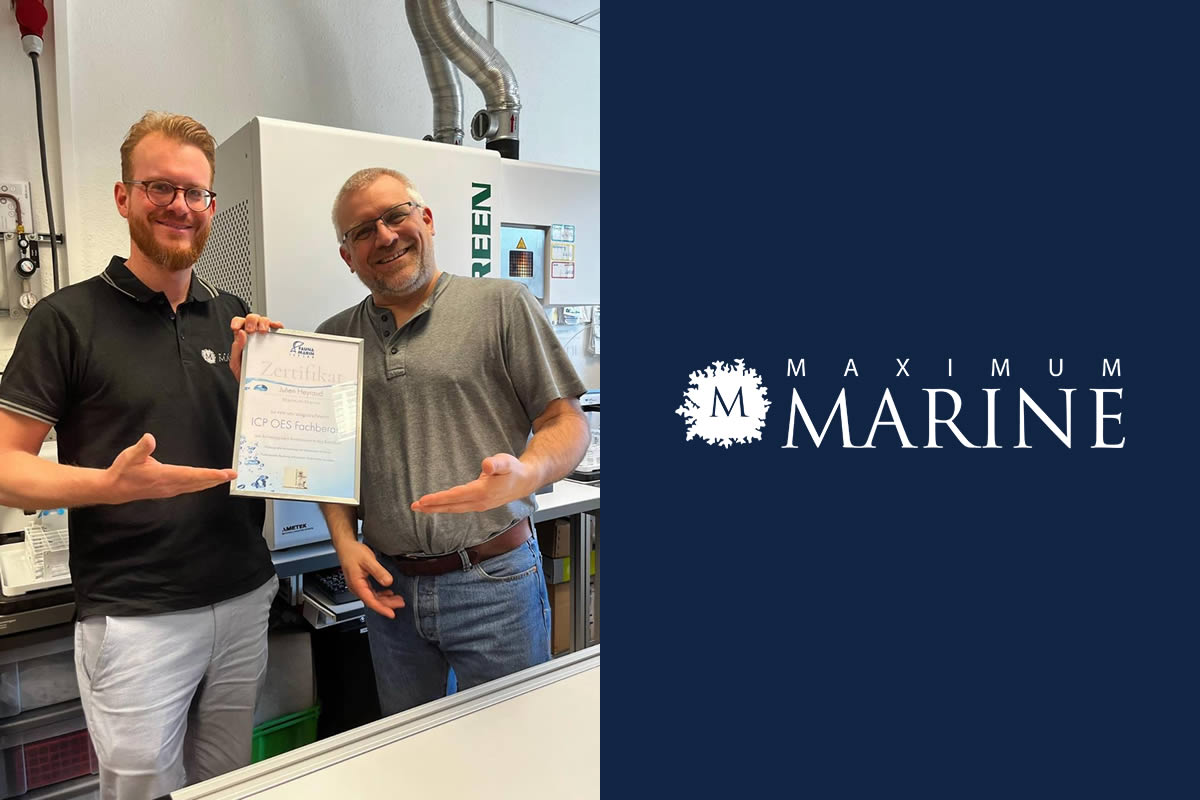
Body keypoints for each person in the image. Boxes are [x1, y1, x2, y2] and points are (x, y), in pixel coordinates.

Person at [0, 111, 282, 800]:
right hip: (135, 617)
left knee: (228, 784)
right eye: (160, 187)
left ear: (211, 205)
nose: (180, 206)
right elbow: (6, 466)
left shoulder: (234, 314)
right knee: (143, 791)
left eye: (195, 192)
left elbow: (262, 452)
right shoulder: (66, 319)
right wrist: (109, 486)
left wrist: (264, 391)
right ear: (124, 197)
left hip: (244, 595)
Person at [317, 167, 590, 714]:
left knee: (512, 745)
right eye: (363, 231)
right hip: (390, 589)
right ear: (348, 256)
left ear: (426, 219)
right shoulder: (333, 339)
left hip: (494, 582)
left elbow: (567, 421)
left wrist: (528, 472)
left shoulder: (502, 304)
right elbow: (329, 460)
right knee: (413, 748)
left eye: (396, 216)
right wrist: (344, 542)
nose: (385, 236)